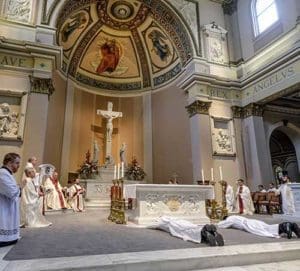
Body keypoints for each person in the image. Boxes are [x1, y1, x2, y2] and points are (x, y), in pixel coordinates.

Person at [150, 216, 224, 246]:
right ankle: (210, 232)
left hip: (175, 225)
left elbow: (153, 226)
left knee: (186, 232)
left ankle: (204, 232)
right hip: (182, 221)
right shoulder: (171, 217)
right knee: (192, 226)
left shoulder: (161, 221)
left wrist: (150, 226)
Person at [0, 153, 21, 247]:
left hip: (8, 206)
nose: (18, 166)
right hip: (3, 206)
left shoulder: (8, 174)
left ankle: (9, 237)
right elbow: (12, 192)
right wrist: (21, 187)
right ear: (9, 162)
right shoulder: (2, 173)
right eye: (17, 163)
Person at [218, 215, 300, 239]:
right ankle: (290, 225)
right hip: (252, 221)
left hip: (248, 224)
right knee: (267, 227)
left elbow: (223, 224)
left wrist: (217, 223)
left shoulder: (230, 218)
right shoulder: (236, 216)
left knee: (265, 230)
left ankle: (286, 226)